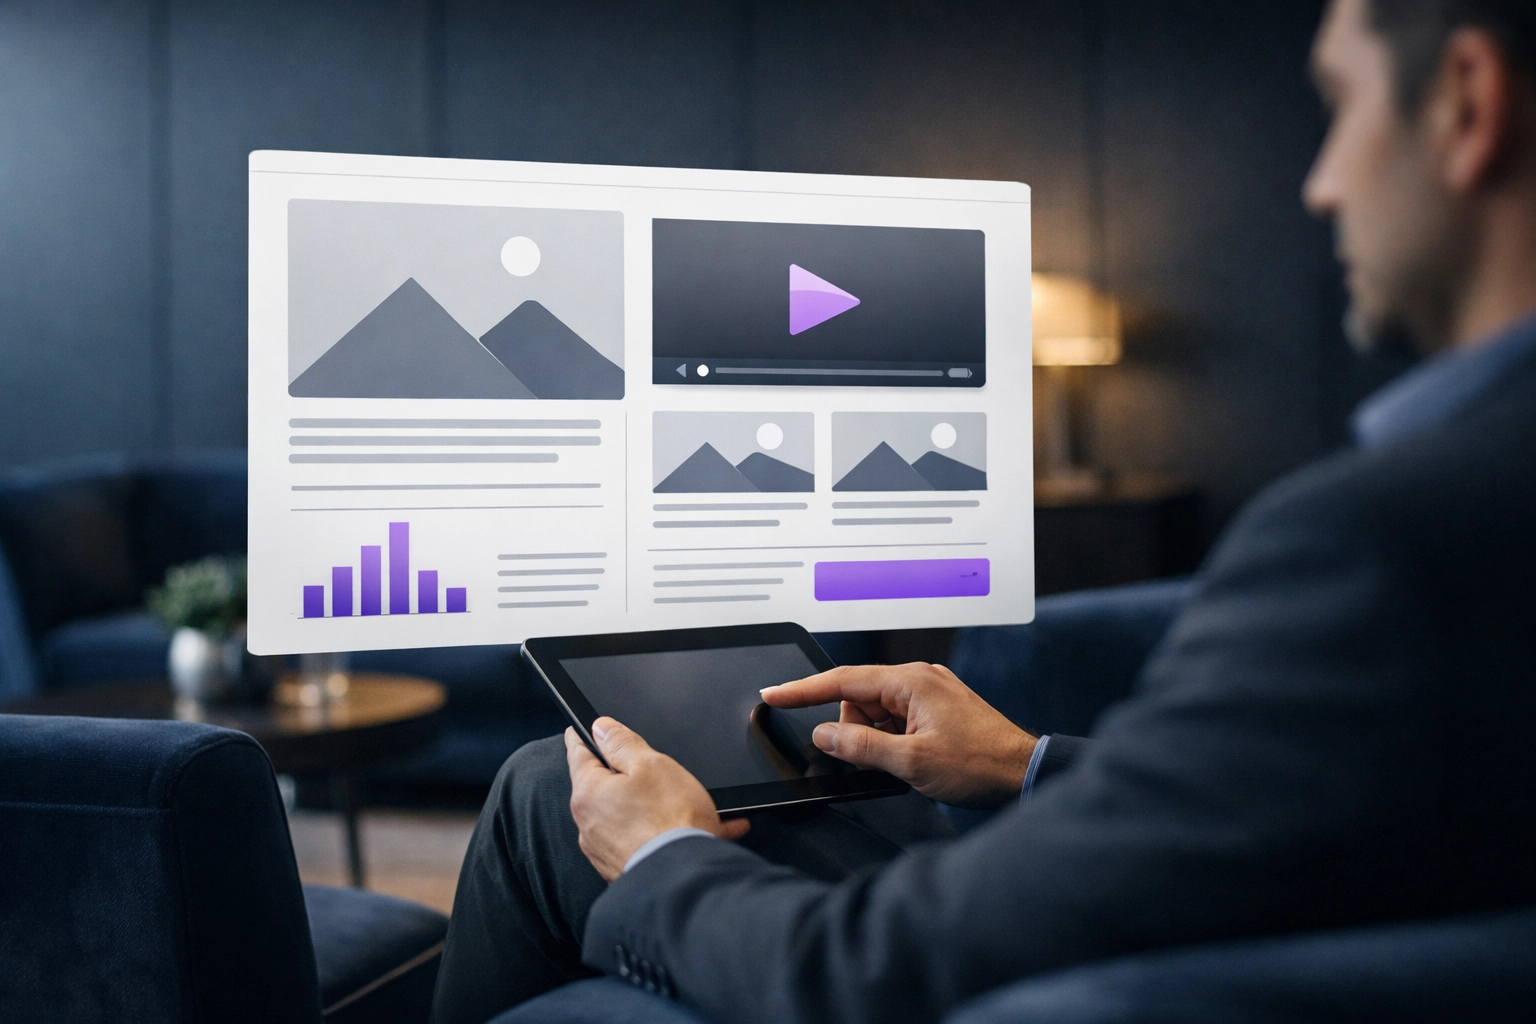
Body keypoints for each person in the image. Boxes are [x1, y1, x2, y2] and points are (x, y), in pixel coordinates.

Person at [431, 1, 1536, 1021]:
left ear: (1467, 103)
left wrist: (665, 860)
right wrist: (1026, 761)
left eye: (1341, 105)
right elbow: (1301, 800)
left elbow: (874, 973)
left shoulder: (1380, 544)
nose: (1323, 185)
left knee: (548, 788)